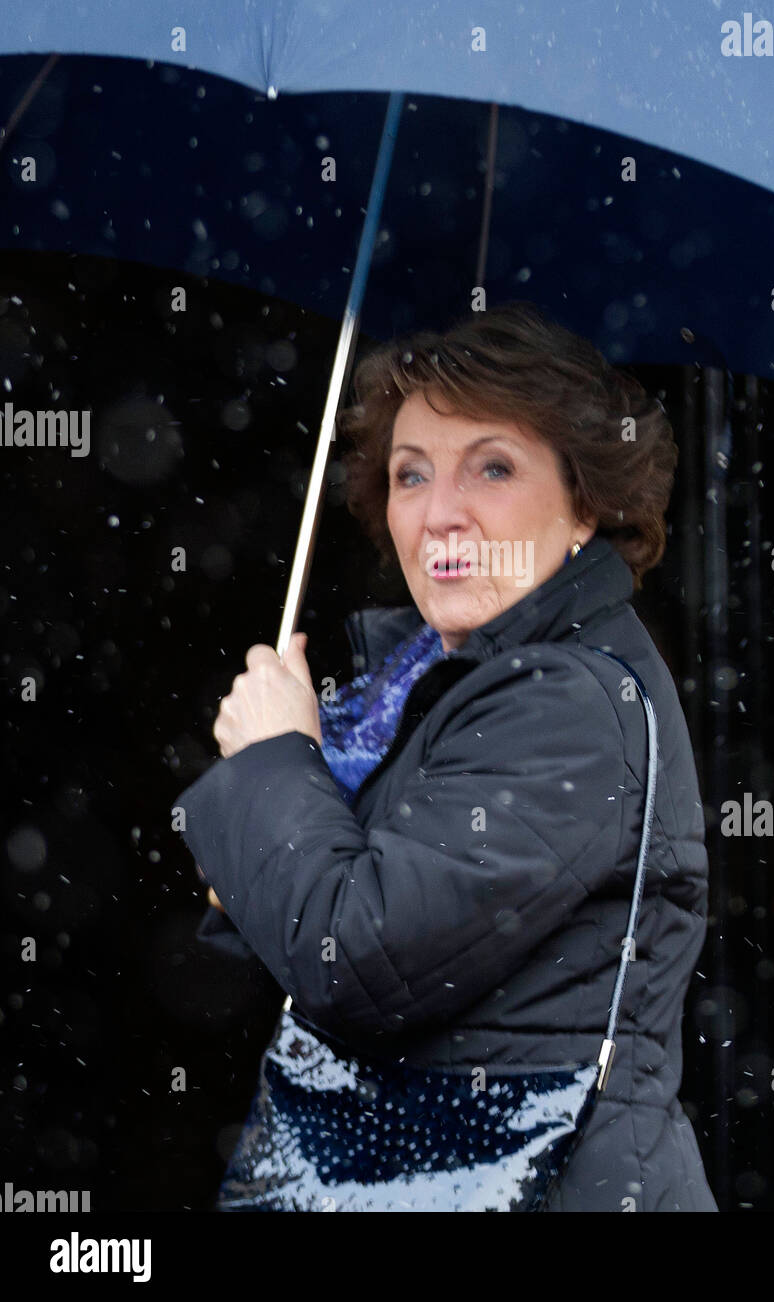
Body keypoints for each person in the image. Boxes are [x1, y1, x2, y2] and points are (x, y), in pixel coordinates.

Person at [177, 299, 717, 1212]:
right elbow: (308, 906)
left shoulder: (568, 702)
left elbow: (351, 953)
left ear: (584, 502)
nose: (441, 515)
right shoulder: (427, 686)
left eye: (492, 468)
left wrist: (273, 759)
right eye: (409, 474)